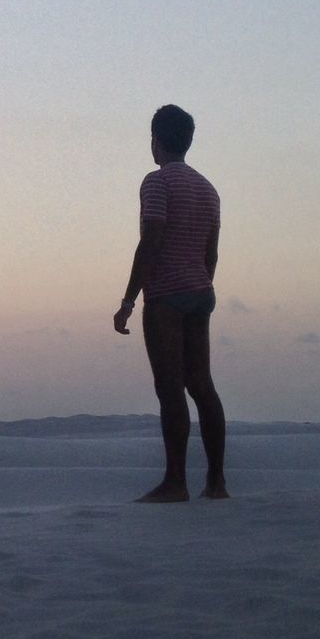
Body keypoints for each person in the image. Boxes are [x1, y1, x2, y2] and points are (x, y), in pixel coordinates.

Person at [114, 104, 228, 502]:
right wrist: (199, 285)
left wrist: (129, 299)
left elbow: (152, 240)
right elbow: (211, 252)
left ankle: (175, 481)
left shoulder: (156, 183)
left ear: (155, 140)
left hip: (167, 297)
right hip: (201, 293)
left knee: (170, 389)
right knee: (202, 386)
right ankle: (216, 482)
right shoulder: (208, 189)